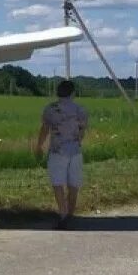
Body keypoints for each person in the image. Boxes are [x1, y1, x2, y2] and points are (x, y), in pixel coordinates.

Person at [34, 79, 89, 229]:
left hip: (58, 150)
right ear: (72, 93)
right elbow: (82, 132)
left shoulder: (51, 109)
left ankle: (63, 214)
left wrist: (39, 146)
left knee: (58, 184)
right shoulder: (80, 110)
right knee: (73, 185)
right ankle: (71, 213)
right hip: (75, 151)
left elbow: (45, 129)